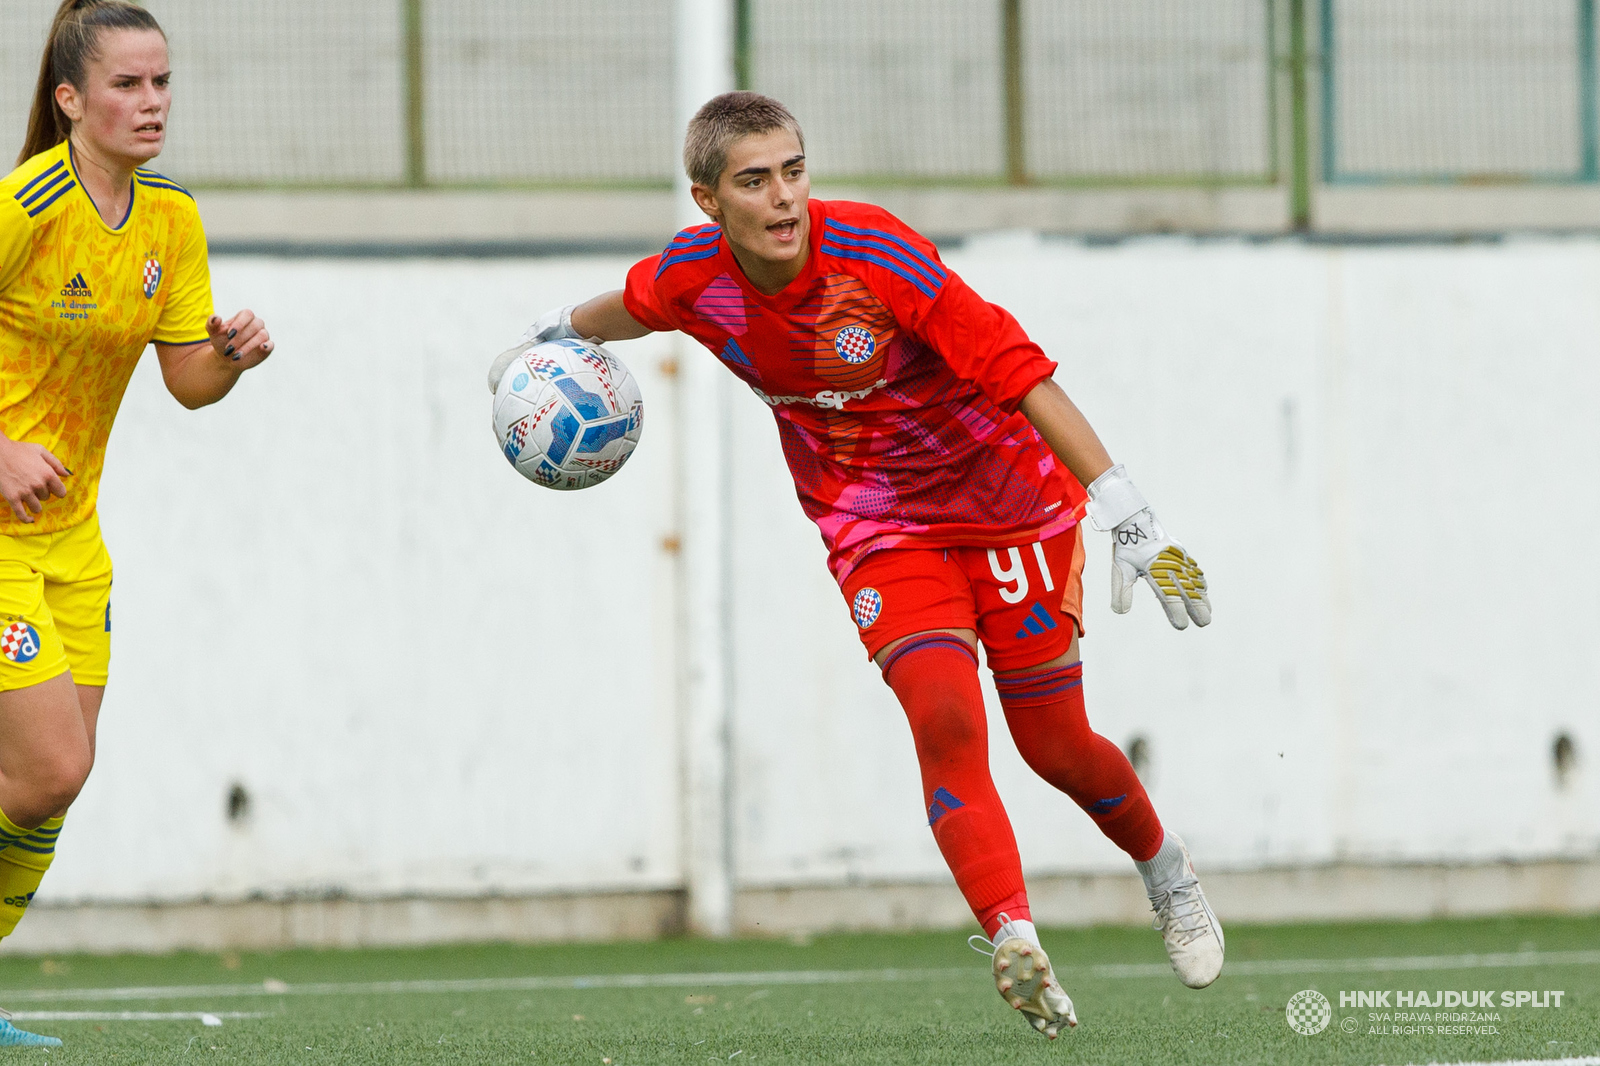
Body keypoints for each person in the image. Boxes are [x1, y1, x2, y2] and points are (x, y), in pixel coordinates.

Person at [497, 92, 1221, 1039]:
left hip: (1009, 504)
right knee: (944, 712)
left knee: (1052, 745)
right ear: (708, 201)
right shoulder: (691, 277)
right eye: (755, 180)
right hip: (877, 524)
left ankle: (1168, 875)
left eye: (794, 170)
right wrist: (550, 335)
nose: (784, 197)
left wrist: (1127, 509)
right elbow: (630, 306)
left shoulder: (875, 257)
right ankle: (1013, 936)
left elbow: (1018, 368)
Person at [0, 0, 274, 1044]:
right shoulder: (26, 206)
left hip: (72, 540)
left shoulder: (172, 221)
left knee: (49, 790)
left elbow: (187, 384)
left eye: (161, 82)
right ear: (71, 99)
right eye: (127, 84)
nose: (151, 102)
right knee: (47, 767)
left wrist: (232, 357)